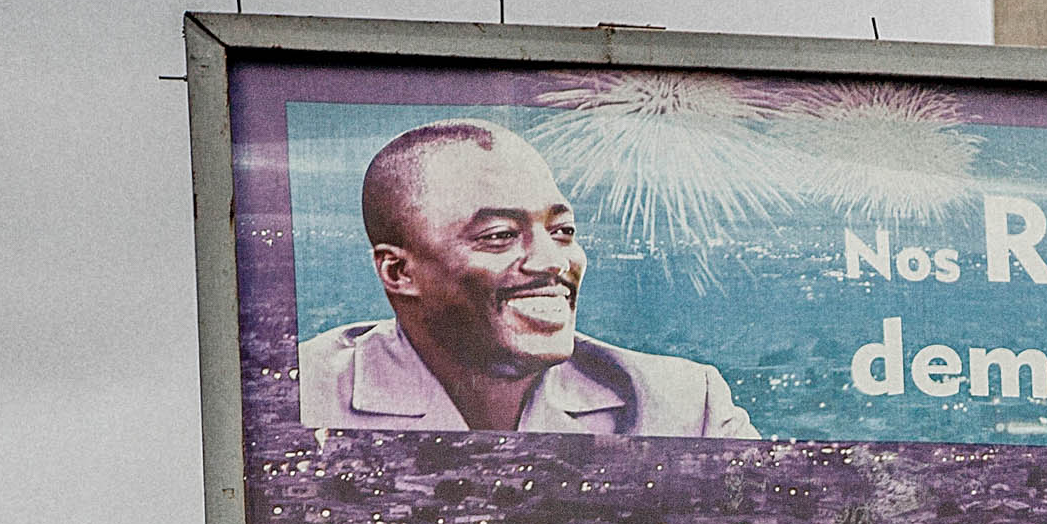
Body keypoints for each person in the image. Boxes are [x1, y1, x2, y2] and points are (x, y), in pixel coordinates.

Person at [297, 121, 757, 436]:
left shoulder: (683, 406)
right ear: (399, 271)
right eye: (499, 236)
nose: (552, 261)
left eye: (563, 232)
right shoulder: (295, 396)